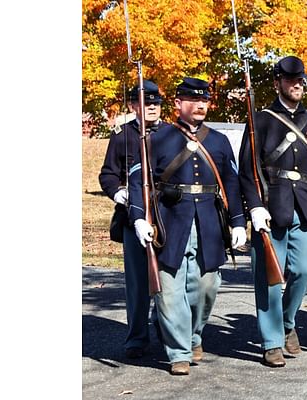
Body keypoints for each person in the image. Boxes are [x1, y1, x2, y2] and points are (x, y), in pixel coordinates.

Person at [129, 77, 248, 375]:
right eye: (193, 101)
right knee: (169, 290)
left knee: (206, 287)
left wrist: (237, 221)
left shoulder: (218, 141)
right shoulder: (157, 139)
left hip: (208, 223)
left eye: (204, 100)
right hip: (170, 223)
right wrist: (139, 217)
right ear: (178, 104)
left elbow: (231, 182)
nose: (200, 105)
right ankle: (179, 351)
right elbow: (137, 180)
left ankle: (194, 335)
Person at [239, 56, 307, 368]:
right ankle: (271, 342)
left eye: (301, 80)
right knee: (268, 277)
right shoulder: (261, 120)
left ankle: (286, 321)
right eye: (290, 79)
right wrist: (254, 207)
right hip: (271, 207)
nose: (297, 84)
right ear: (277, 82)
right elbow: (247, 170)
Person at [98, 80, 167, 360]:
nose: (151, 107)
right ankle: (137, 336)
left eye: (155, 103)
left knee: (170, 278)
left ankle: (167, 328)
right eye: (145, 103)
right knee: (138, 282)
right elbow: (107, 174)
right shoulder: (122, 136)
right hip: (133, 218)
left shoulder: (173, 134)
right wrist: (119, 193)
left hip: (168, 215)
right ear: (132, 106)